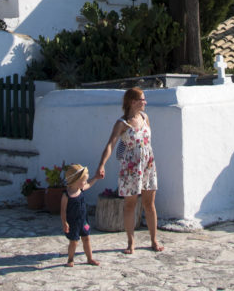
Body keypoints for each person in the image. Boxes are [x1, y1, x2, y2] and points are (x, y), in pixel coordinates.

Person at [96, 87, 165, 253]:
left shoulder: (145, 117)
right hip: (131, 167)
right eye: (142, 99)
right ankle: (130, 242)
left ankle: (154, 240)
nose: (145, 102)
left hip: (147, 164)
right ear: (133, 102)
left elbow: (147, 140)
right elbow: (111, 144)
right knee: (130, 205)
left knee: (149, 203)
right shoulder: (122, 123)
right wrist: (102, 164)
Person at [60, 163, 100, 267]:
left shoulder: (81, 189)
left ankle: (90, 258)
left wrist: (96, 177)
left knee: (87, 238)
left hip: (83, 220)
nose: (85, 182)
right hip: (73, 222)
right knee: (74, 241)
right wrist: (64, 222)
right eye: (83, 180)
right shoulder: (66, 195)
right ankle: (70, 259)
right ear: (75, 181)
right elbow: (63, 210)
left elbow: (90, 184)